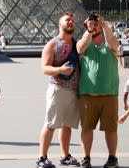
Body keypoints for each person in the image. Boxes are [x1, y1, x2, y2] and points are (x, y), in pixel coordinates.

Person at [36, 12, 80, 168]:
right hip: (57, 88)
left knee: (67, 125)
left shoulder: (77, 44)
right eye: (67, 20)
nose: (70, 22)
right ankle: (42, 157)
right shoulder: (52, 44)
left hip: (74, 90)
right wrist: (60, 69)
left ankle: (65, 155)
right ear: (59, 24)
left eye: (72, 21)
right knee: (50, 124)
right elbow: (45, 68)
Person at [76, 14, 120, 168]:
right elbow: (80, 47)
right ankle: (86, 158)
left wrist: (105, 25)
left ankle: (112, 158)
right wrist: (89, 30)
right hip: (88, 94)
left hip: (109, 94)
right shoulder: (84, 44)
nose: (94, 26)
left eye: (96, 24)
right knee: (87, 128)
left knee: (111, 129)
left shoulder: (109, 44)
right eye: (90, 24)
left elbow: (115, 44)